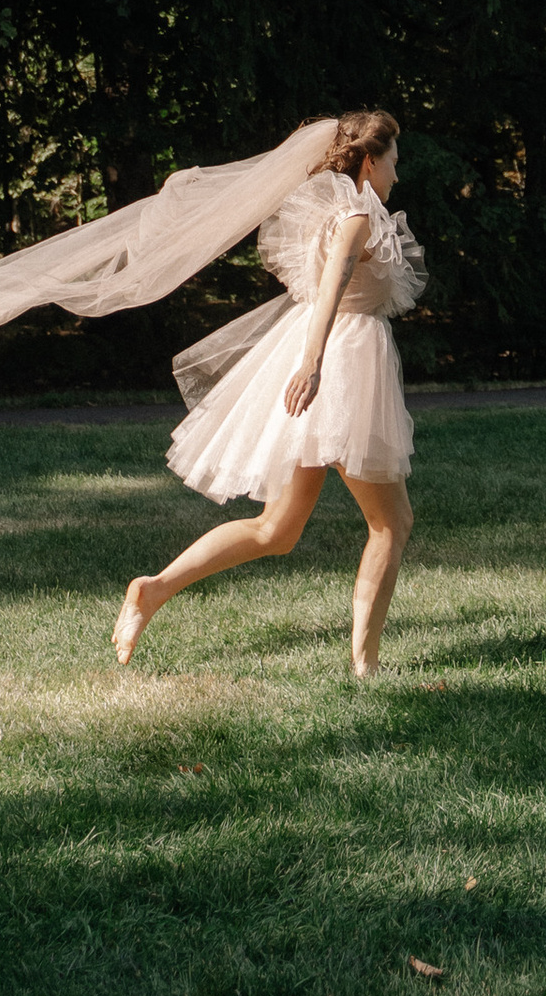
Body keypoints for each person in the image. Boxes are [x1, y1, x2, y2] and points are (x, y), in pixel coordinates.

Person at [112, 109, 420, 682]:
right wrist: (313, 363)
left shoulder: (341, 211)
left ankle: (152, 590)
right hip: (343, 366)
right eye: (394, 163)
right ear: (371, 161)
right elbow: (330, 289)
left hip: (328, 357)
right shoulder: (355, 216)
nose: (398, 176)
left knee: (276, 531)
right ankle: (365, 665)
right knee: (391, 522)